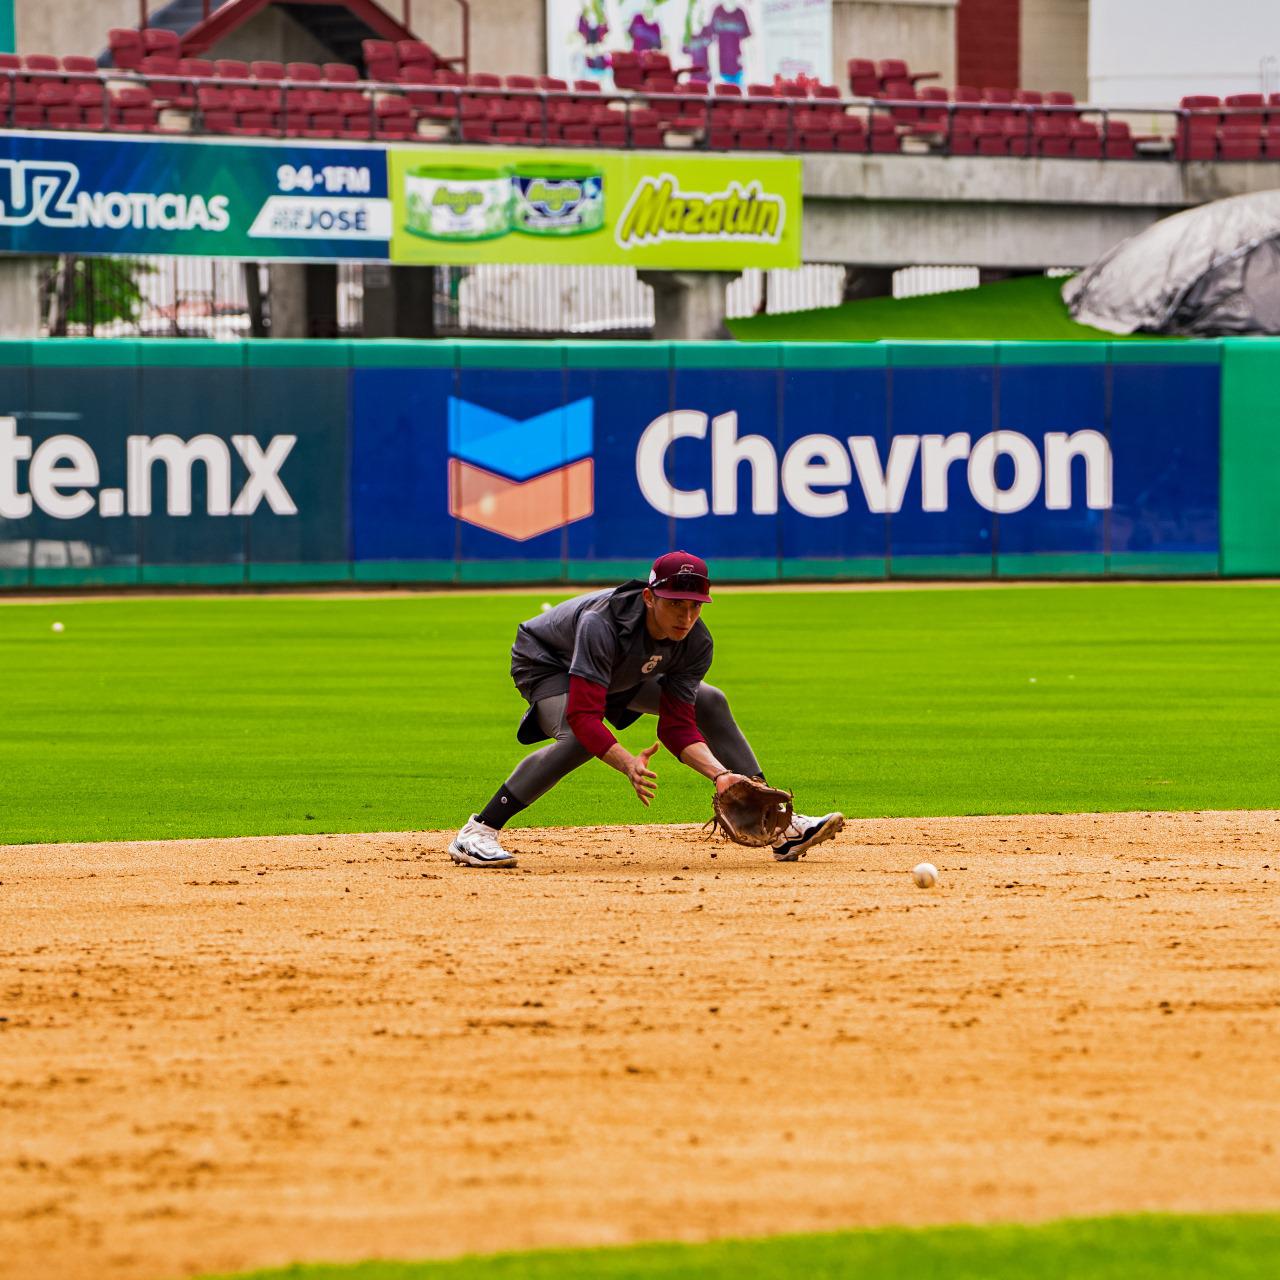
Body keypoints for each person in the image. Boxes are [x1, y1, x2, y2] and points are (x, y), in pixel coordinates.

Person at [448, 551, 844, 868]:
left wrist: (722, 776)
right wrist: (626, 763)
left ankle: (779, 823)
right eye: (675, 604)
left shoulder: (695, 642)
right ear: (650, 597)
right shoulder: (600, 623)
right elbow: (584, 716)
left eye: (695, 605)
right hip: (548, 661)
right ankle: (478, 831)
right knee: (581, 740)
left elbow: (677, 727)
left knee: (710, 699)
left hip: (623, 669)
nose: (686, 616)